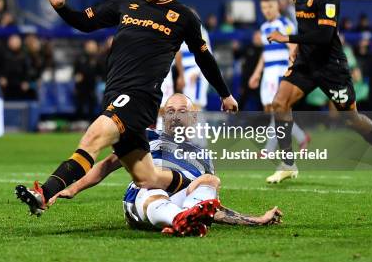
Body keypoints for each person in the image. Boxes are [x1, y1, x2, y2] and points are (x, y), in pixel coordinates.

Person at [15, 0, 238, 220]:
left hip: (138, 98)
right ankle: (193, 184)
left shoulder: (183, 17)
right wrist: (62, 7)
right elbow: (85, 22)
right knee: (148, 177)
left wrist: (225, 95)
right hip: (115, 96)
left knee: (92, 139)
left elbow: (204, 58)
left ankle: (43, 193)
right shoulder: (125, 3)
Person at [48, 94, 282, 237]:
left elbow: (212, 207)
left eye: (182, 111)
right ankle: (183, 218)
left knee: (211, 180)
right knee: (153, 187)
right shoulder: (148, 137)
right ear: (162, 117)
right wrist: (72, 188)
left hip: (180, 198)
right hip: (144, 198)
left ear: (193, 117)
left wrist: (255, 220)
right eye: (170, 111)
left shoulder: (203, 156)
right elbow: (106, 166)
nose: (175, 116)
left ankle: (185, 219)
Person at [265, 0, 372, 183]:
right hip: (306, 63)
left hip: (331, 66)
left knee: (352, 118)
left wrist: (287, 38)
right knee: (279, 103)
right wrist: (297, 48)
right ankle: (288, 163)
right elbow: (306, 28)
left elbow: (325, 36)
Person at [248, 0, 310, 152]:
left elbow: (293, 47)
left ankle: (269, 149)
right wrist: (256, 73)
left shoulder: (285, 24)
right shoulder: (264, 27)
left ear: (277, 7)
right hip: (268, 72)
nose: (267, 11)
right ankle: (302, 137)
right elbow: (265, 53)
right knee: (272, 110)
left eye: (270, 7)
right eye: (264, 8)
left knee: (277, 109)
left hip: (279, 71)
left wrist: (291, 68)